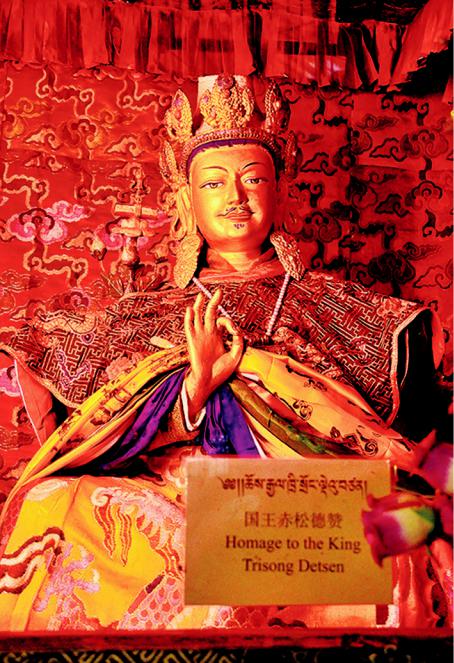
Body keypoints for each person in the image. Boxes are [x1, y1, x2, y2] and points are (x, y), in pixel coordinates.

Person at [0, 76, 444, 631]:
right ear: (188, 200)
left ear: (280, 192)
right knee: (51, 499)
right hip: (175, 486)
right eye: (214, 182)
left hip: (295, 492)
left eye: (253, 178)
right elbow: (95, 436)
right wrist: (193, 390)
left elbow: (393, 438)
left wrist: (264, 378)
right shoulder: (144, 311)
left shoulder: (349, 310)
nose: (236, 197)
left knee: (377, 520)